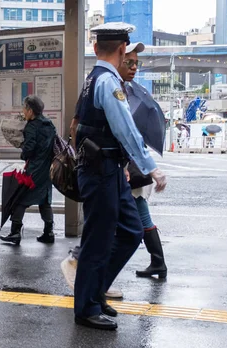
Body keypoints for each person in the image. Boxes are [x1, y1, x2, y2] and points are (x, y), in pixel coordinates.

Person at [71, 23, 167, 331]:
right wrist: (150, 166)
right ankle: (86, 306)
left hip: (111, 170)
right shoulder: (107, 83)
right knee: (96, 242)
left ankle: (96, 292)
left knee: (130, 231)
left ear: (97, 48)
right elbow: (125, 128)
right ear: (122, 49)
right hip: (100, 173)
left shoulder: (93, 80)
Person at [0, 95, 57, 245]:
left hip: (34, 170)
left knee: (21, 199)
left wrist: (23, 153)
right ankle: (49, 232)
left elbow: (29, 149)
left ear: (30, 110)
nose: (23, 111)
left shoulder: (32, 126)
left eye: (24, 108)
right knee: (45, 200)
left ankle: (15, 232)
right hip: (46, 169)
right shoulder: (49, 124)